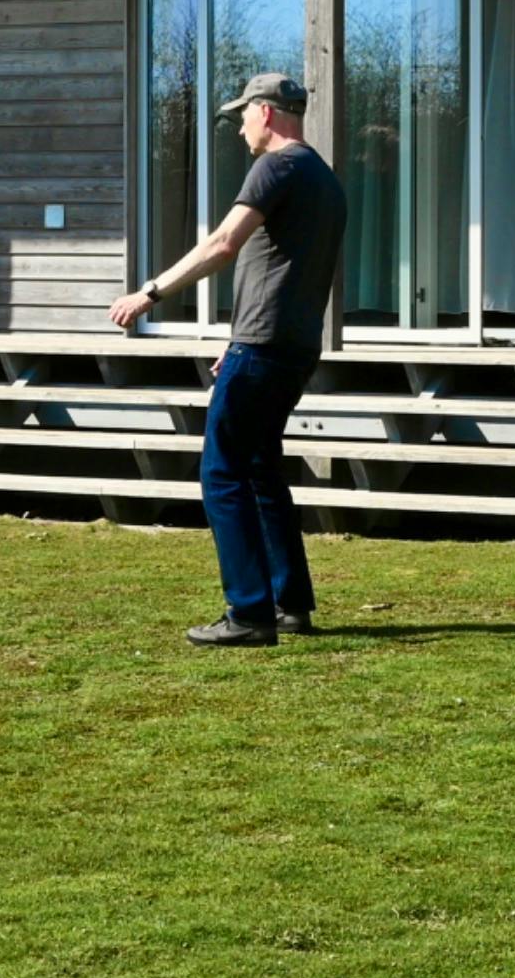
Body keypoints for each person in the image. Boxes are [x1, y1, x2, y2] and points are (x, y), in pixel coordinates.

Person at [109, 69, 344, 648]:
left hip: (262, 345)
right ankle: (290, 604)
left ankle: (248, 612)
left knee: (222, 472)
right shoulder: (324, 177)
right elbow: (283, 272)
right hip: (289, 345)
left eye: (243, 114)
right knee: (262, 469)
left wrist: (151, 291)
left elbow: (223, 244)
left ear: (265, 112)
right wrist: (238, 337)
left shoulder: (276, 165)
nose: (239, 127)